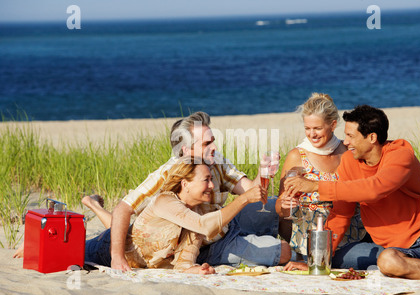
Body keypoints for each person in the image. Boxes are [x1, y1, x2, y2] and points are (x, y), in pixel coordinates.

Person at [83, 111, 291, 271]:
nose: (214, 147)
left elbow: (252, 192)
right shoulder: (167, 174)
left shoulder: (215, 161)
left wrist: (263, 174)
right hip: (207, 245)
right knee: (282, 253)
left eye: (213, 140)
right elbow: (123, 208)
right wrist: (117, 256)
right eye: (207, 143)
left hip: (228, 222)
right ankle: (93, 206)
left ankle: (304, 250)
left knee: (280, 207)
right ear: (186, 150)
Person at [283, 105, 420, 280]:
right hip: (401, 252)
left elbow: (375, 189)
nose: (345, 142)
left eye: (350, 136)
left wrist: (316, 186)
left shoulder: (400, 154)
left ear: (371, 137)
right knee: (386, 262)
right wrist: (316, 263)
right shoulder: (348, 162)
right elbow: (340, 214)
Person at [84, 156, 267, 274]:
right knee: (72, 253)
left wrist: (195, 270)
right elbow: (205, 225)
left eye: (211, 180)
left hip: (139, 254)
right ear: (185, 184)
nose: (212, 186)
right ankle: (93, 204)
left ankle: (93, 205)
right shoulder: (165, 201)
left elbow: (183, 263)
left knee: (136, 234)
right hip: (105, 249)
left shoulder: (195, 215)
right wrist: (243, 200)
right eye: (206, 180)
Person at [275, 93, 378, 271]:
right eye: (307, 128)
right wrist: (284, 205)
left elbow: (364, 190)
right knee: (381, 257)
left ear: (333, 125)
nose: (311, 134)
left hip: (353, 234)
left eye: (317, 128)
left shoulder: (348, 151)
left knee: (385, 254)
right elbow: (280, 208)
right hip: (312, 242)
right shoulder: (296, 156)